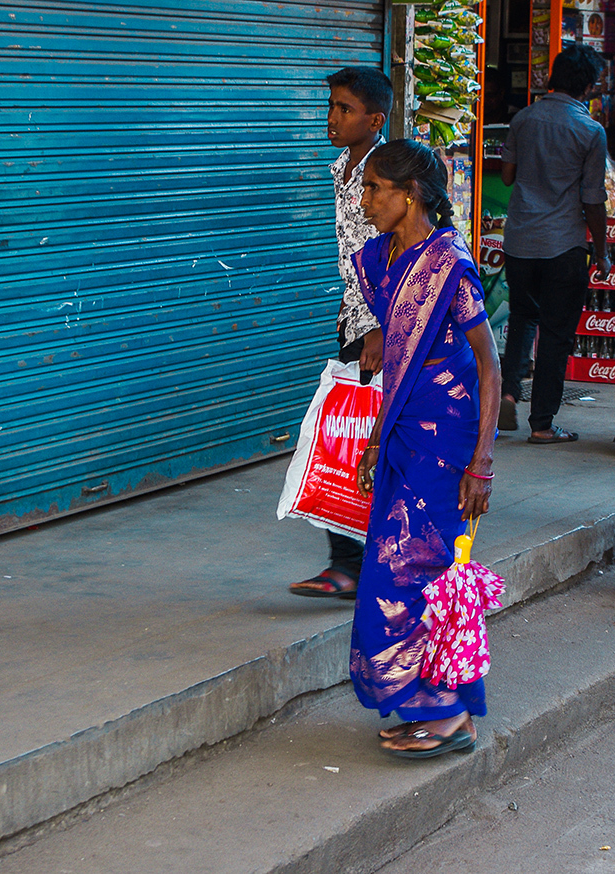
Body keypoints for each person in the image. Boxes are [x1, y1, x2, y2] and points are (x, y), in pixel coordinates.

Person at [348, 139, 501, 757]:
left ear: (409, 194)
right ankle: (435, 707)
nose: (364, 203)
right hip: (404, 432)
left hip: (448, 436)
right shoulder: (382, 261)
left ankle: (448, 713)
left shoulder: (450, 266)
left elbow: (489, 366)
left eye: (374, 189)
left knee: (418, 567)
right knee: (396, 569)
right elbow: (395, 354)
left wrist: (482, 463)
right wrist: (376, 441)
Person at [290, 67, 392, 600]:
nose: (331, 118)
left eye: (344, 110)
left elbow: (407, 247)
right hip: (353, 321)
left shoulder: (387, 172)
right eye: (330, 107)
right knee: (351, 440)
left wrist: (383, 327)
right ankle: (354, 562)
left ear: (375, 120)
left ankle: (355, 564)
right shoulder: (342, 168)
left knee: (355, 442)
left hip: (381, 329)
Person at [498, 45, 609, 443]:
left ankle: (508, 391)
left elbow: (507, 175)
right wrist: (602, 248)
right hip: (564, 244)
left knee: (523, 318)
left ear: (550, 78)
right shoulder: (591, 132)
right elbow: (593, 199)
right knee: (556, 333)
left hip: (521, 239)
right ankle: (542, 423)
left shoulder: (524, 119)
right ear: (590, 88)